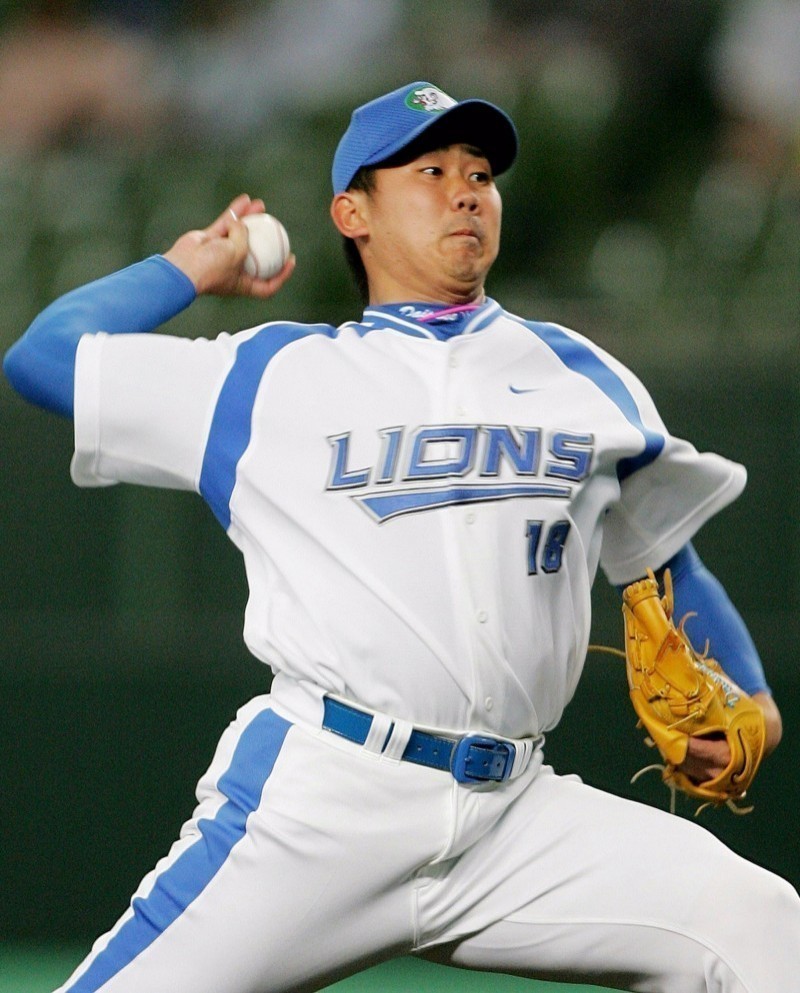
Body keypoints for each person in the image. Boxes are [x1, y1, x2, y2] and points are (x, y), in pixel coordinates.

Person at [4, 80, 799, 993]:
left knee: (761, 925)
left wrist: (753, 695)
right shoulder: (269, 375)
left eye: (480, 175)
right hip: (327, 802)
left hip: (515, 817)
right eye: (430, 172)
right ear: (354, 213)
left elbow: (666, 556)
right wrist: (187, 269)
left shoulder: (585, 377)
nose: (466, 193)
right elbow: (42, 358)